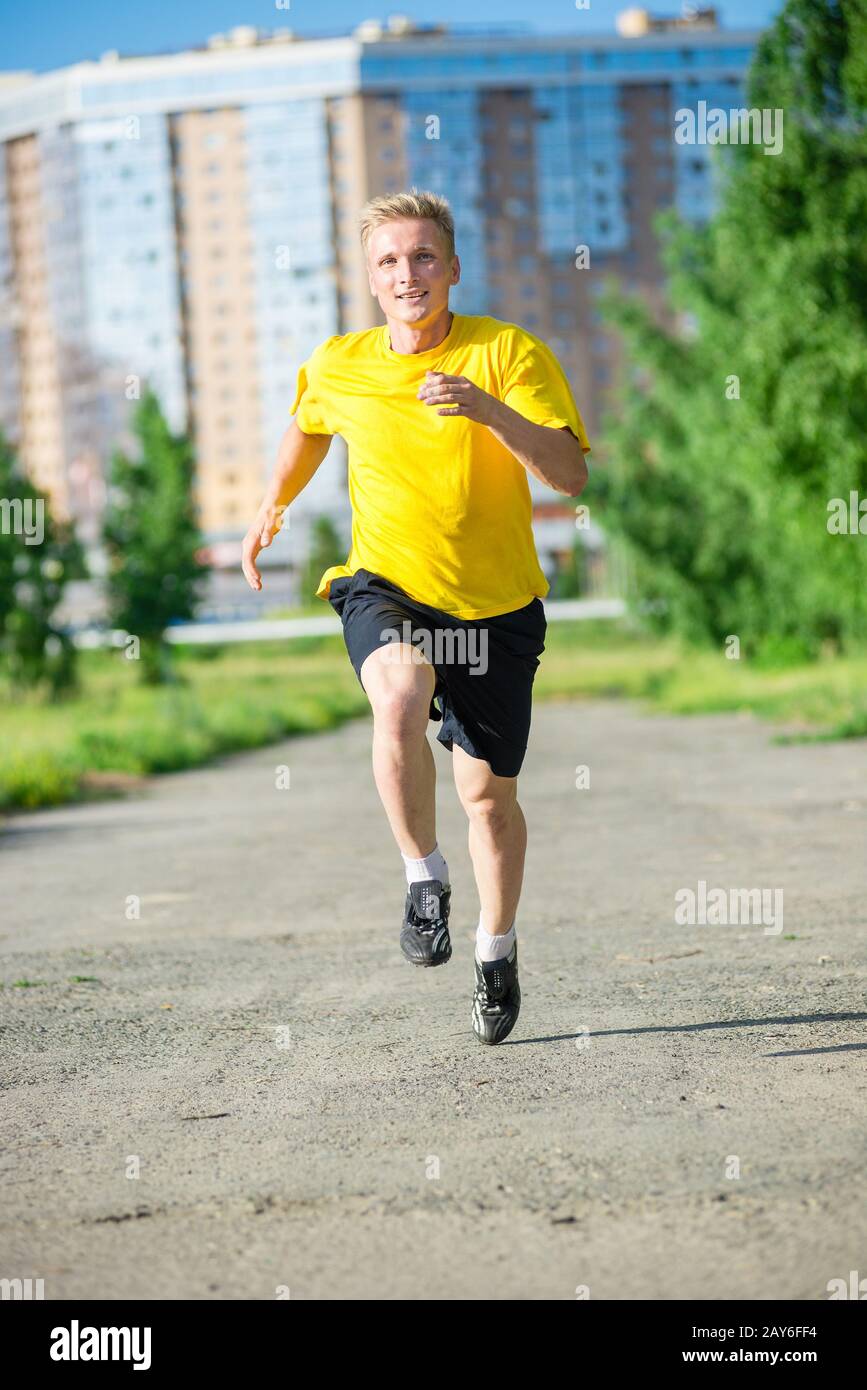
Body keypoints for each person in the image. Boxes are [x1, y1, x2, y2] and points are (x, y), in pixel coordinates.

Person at [242, 188, 590, 1044]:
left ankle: (494, 951)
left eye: (424, 257)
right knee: (395, 697)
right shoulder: (339, 362)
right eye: (390, 262)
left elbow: (570, 476)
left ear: (453, 268)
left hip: (497, 606)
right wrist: (270, 506)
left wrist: (485, 408)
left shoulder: (507, 351)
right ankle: (421, 878)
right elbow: (308, 428)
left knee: (488, 802)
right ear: (370, 279)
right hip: (386, 585)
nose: (409, 274)